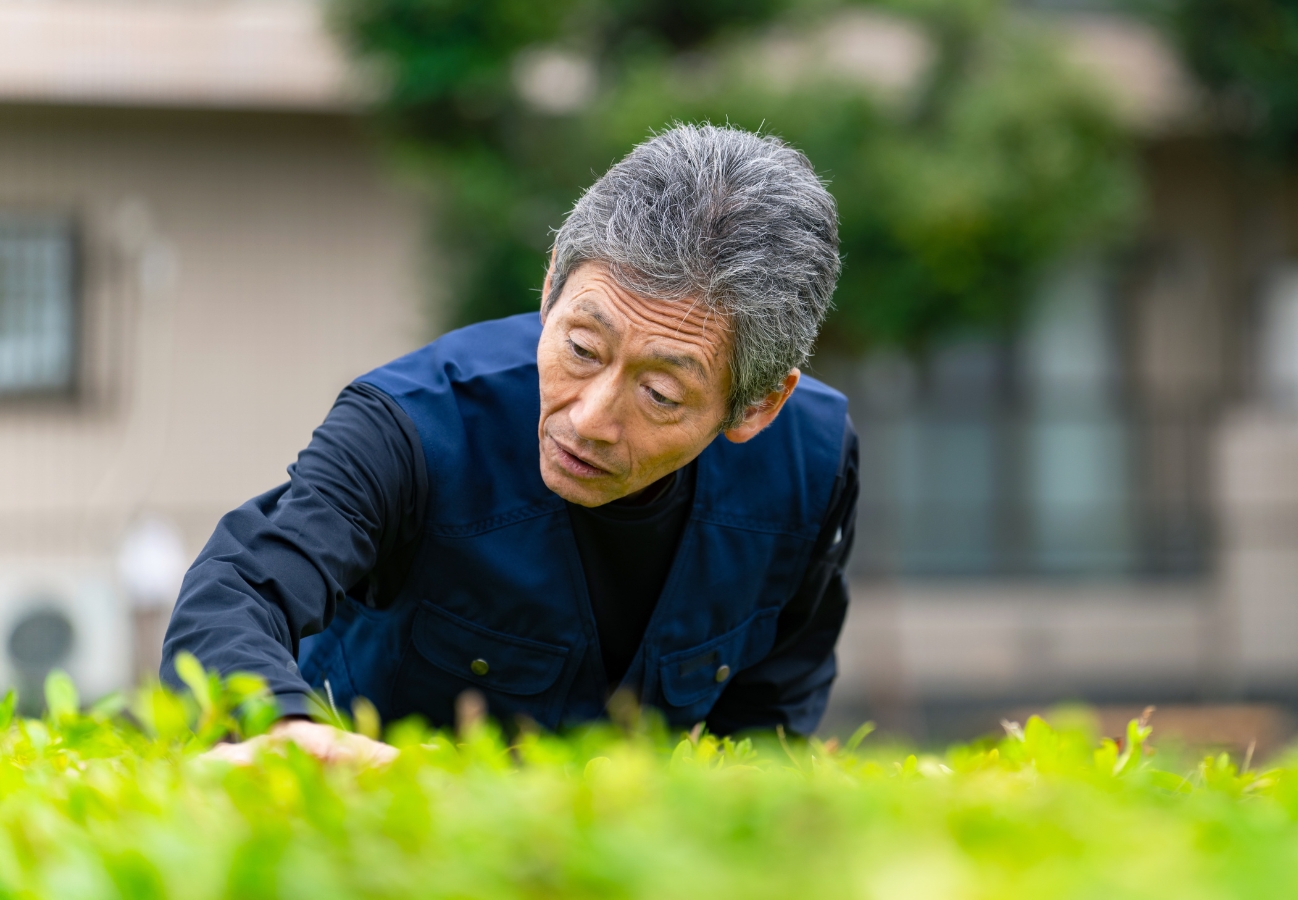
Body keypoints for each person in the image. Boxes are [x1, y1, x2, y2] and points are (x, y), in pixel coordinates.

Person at [163, 124, 856, 763]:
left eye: (661, 394)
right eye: (583, 348)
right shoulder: (414, 421)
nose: (589, 419)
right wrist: (281, 730)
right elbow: (240, 585)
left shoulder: (808, 465)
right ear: (553, 282)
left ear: (758, 405)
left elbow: (771, 710)